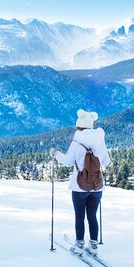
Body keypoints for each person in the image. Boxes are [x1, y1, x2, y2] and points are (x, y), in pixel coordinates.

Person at [51, 109, 111, 256]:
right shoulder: (99, 141)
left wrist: (55, 153)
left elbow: (67, 161)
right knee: (92, 216)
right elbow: (107, 162)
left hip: (79, 187)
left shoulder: (77, 142)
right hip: (97, 186)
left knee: (80, 216)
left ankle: (79, 245)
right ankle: (94, 246)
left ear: (79, 127)